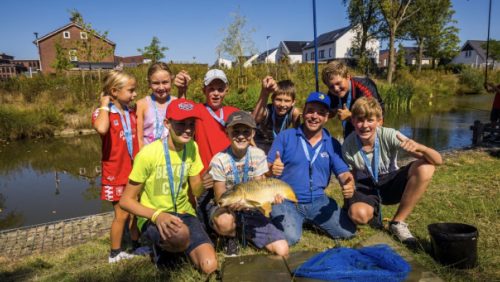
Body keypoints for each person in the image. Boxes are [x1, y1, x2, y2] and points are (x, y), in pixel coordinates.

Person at [119, 98, 217, 274]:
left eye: (191, 124)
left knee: (209, 266)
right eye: (181, 124)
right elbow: (126, 201)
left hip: (184, 213)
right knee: (180, 236)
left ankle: (176, 248)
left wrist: (205, 184)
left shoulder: (192, 147)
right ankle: (164, 251)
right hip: (154, 216)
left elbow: (195, 190)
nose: (188, 129)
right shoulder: (147, 155)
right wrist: (157, 216)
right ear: (167, 123)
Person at [342, 97, 443, 245]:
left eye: (370, 120)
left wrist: (422, 148)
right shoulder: (348, 145)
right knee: (359, 216)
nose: (364, 125)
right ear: (353, 121)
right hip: (366, 185)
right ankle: (371, 211)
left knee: (426, 167)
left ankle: (397, 223)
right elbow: (351, 176)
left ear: (379, 121)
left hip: (391, 180)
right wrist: (349, 191)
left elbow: (438, 160)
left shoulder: (390, 135)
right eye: (359, 120)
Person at [267, 92, 357, 246]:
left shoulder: (332, 143)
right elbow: (267, 169)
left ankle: (306, 219)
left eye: (321, 113)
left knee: (348, 232)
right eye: (310, 111)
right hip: (286, 200)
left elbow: (343, 173)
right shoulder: (285, 136)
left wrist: (348, 183)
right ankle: (290, 218)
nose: (315, 116)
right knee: (290, 238)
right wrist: (272, 169)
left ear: (326, 117)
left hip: (318, 200)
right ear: (303, 112)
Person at [208, 111, 289, 256]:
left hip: (250, 208)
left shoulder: (258, 154)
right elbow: (220, 196)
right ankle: (229, 237)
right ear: (227, 133)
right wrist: (232, 204)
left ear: (252, 134)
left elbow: (260, 187)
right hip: (228, 209)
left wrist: (270, 199)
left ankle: (244, 231)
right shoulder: (219, 159)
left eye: (246, 132)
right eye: (236, 131)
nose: (240, 136)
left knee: (282, 250)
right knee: (225, 221)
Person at [175, 69, 239, 241]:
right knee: (205, 219)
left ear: (227, 90)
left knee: (234, 211)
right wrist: (182, 91)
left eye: (220, 88)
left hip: (231, 179)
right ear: (204, 90)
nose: (216, 93)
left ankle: (229, 233)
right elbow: (180, 114)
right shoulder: (198, 111)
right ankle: (211, 230)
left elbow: (249, 131)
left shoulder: (233, 112)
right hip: (206, 181)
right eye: (211, 89)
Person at [92, 70, 140, 263]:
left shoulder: (131, 111)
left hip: (134, 171)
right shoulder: (102, 113)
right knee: (121, 214)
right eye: (131, 90)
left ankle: (136, 245)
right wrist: (104, 106)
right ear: (114, 91)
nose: (135, 94)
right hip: (116, 173)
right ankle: (115, 253)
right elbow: (102, 129)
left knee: (135, 211)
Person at [321, 61, 384, 138]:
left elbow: (373, 119)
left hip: (371, 129)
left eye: (338, 83)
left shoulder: (364, 86)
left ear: (348, 77)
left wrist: (350, 116)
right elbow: (330, 112)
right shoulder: (333, 91)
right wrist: (317, 113)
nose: (336, 89)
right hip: (351, 126)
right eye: (331, 86)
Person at [135, 62, 191, 149]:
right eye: (156, 83)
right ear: (149, 83)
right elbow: (139, 138)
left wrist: (182, 90)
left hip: (172, 155)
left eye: (165, 82)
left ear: (171, 81)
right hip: (149, 157)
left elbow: (184, 118)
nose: (161, 87)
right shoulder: (142, 105)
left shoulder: (176, 101)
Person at [252, 76, 301, 153]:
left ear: (293, 102)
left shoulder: (294, 112)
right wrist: (265, 93)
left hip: (278, 142)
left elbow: (298, 134)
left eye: (287, 101)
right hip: (259, 142)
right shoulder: (267, 110)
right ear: (272, 99)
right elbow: (254, 120)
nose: (282, 104)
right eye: (278, 99)